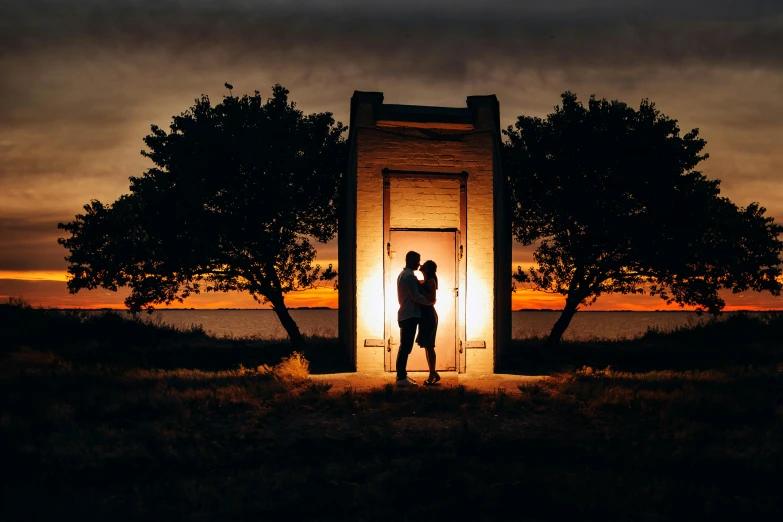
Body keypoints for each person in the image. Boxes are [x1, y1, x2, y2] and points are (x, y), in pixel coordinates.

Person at [396, 251, 435, 387]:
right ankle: (401, 378)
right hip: (409, 315)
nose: (419, 263)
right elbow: (416, 296)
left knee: (405, 347)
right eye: (417, 261)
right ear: (411, 260)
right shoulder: (409, 277)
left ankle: (403, 375)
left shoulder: (405, 275)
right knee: (405, 347)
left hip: (407, 314)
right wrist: (431, 301)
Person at [416, 260, 440, 386]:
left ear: (427, 269)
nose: (421, 265)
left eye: (424, 265)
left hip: (429, 316)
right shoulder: (426, 281)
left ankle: (432, 374)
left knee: (429, 346)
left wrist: (419, 288)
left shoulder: (430, 281)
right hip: (425, 316)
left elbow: (432, 299)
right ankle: (433, 372)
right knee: (427, 345)